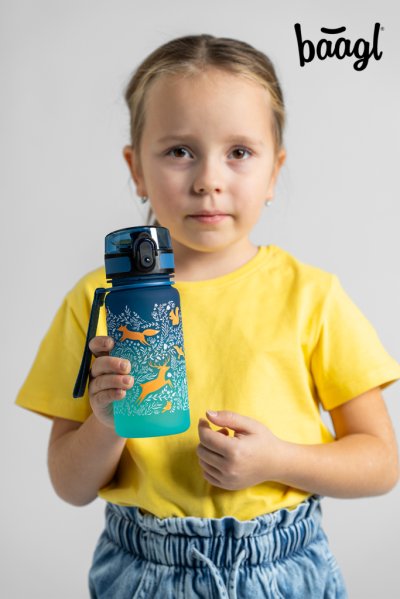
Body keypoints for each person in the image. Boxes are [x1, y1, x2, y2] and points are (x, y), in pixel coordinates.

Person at [16, 34, 400, 599]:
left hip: (281, 568)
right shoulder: (98, 299)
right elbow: (70, 486)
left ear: (274, 171)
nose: (208, 180)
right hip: (142, 571)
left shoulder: (311, 296)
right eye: (179, 151)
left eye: (239, 152)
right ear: (136, 168)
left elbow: (381, 463)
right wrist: (106, 421)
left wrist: (278, 460)